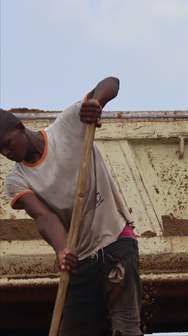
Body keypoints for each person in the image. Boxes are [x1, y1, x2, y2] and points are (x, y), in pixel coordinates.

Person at [0, 77, 142, 336]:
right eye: (0, 150)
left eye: (7, 143)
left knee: (125, 326)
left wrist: (97, 102)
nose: (6, 152)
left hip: (116, 242)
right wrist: (61, 249)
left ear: (20, 128)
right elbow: (43, 216)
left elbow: (112, 82)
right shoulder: (16, 180)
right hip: (80, 260)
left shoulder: (66, 126)